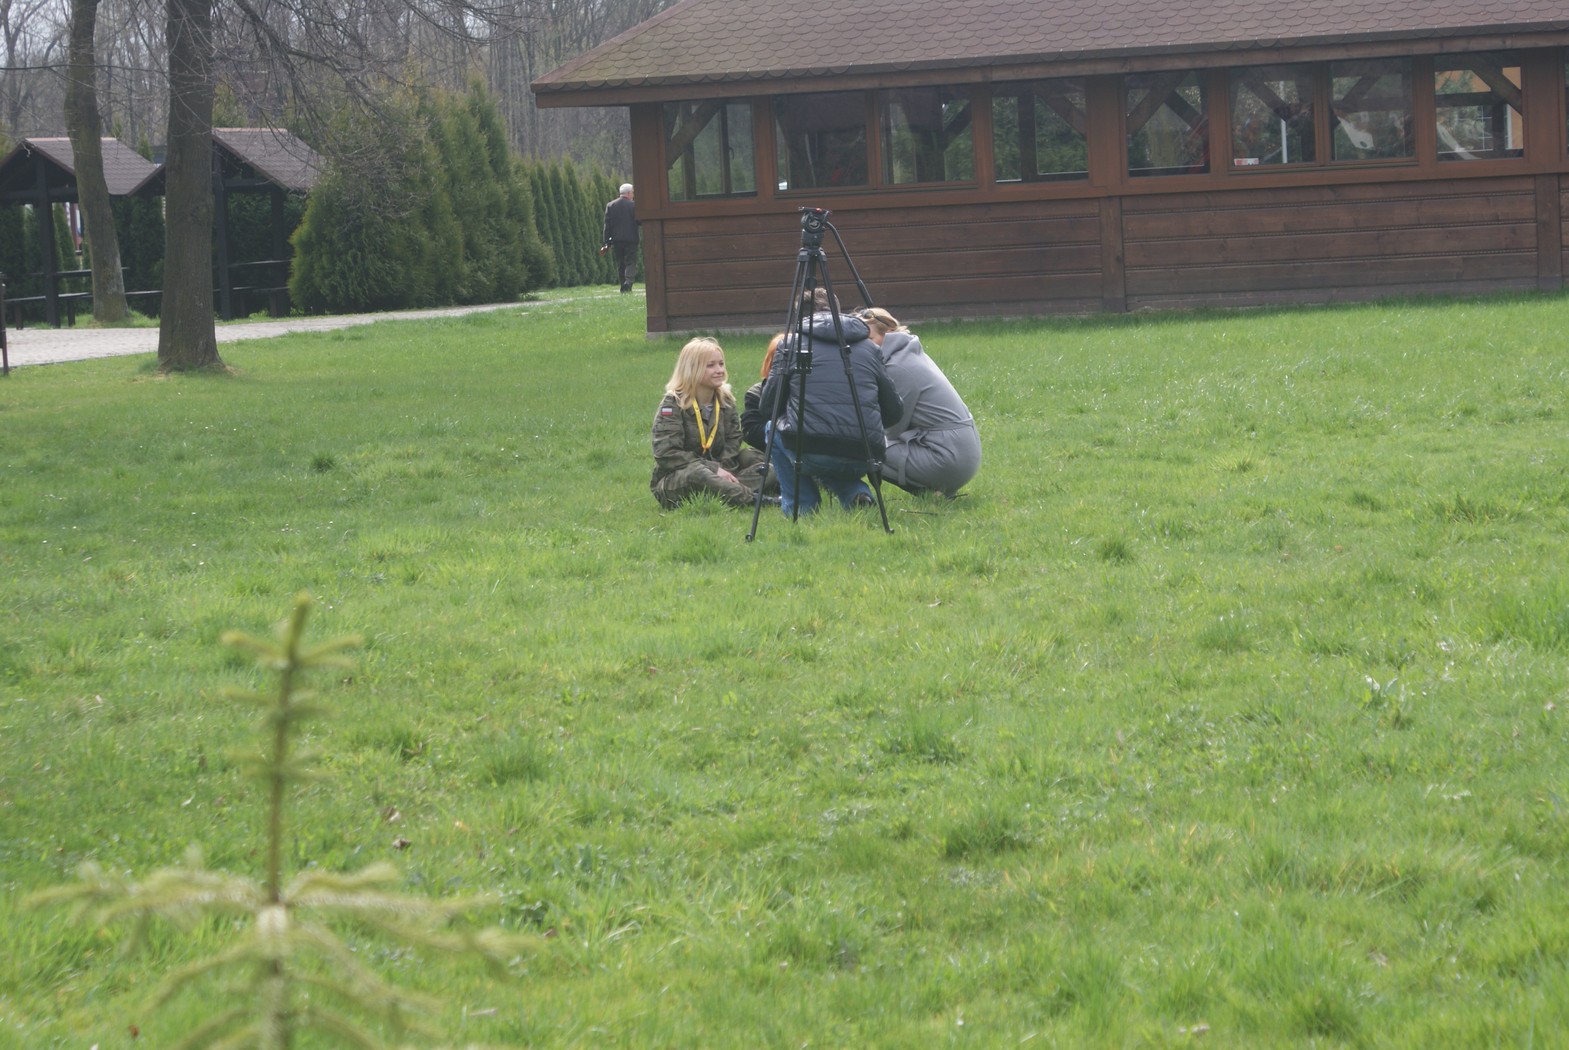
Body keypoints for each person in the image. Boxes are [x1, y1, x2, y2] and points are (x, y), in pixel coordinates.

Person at [760, 306, 902, 516]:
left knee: (773, 428)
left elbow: (768, 407)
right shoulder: (871, 349)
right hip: (866, 453)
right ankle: (856, 493)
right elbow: (894, 412)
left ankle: (802, 506)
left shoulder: (791, 345)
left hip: (812, 447)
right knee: (827, 448)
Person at [858, 307, 981, 498]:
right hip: (959, 452)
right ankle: (933, 494)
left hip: (948, 458)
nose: (864, 347)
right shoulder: (907, 353)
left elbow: (892, 427)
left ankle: (854, 495)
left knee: (861, 447)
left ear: (888, 333)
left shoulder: (897, 367)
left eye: (869, 339)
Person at [650, 337, 768, 509]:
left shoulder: (726, 400)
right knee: (699, 474)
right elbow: (666, 454)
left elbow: (734, 439)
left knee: (759, 461)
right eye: (711, 365)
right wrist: (712, 469)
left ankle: (723, 491)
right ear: (692, 369)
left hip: (721, 469)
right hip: (679, 477)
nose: (719, 370)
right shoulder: (673, 404)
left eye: (721, 364)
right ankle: (755, 499)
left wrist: (723, 468)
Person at [602, 183, 639, 293]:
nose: (633, 195)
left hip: (617, 240)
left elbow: (607, 225)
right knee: (630, 262)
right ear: (628, 193)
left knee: (620, 263)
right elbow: (639, 221)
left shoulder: (610, 205)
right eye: (632, 193)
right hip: (631, 239)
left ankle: (623, 286)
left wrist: (607, 242)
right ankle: (628, 282)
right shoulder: (633, 205)